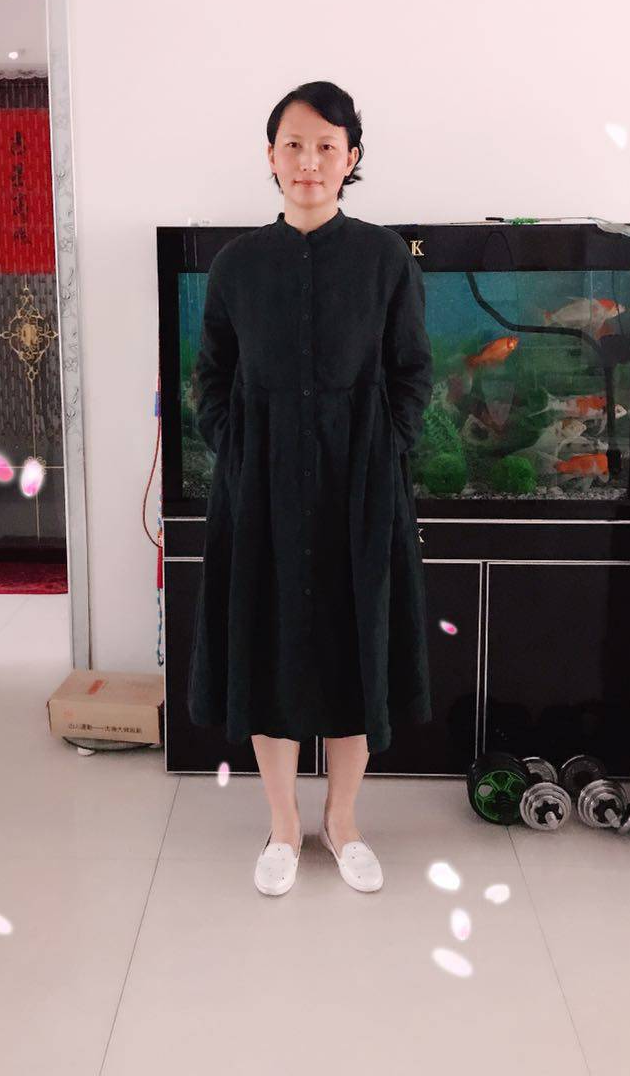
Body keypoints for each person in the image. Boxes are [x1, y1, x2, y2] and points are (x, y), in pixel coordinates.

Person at [189, 80, 434, 895]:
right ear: (270, 156)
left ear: (351, 157)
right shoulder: (236, 266)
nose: (309, 161)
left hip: (360, 493)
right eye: (294, 144)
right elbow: (211, 377)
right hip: (259, 494)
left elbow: (412, 371)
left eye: (327, 146)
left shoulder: (384, 259)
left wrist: (387, 449)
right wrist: (235, 447)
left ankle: (344, 821)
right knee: (270, 651)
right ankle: (285, 826)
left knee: (356, 650)